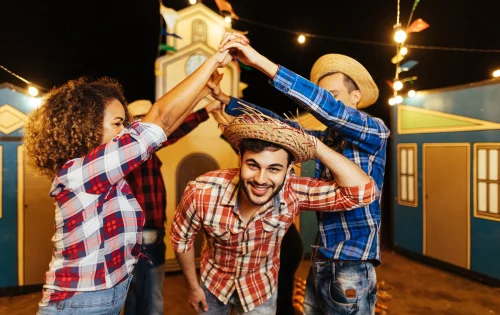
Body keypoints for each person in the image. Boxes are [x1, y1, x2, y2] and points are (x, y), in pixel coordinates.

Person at [24, 39, 240, 315]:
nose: (124, 131)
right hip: (79, 304)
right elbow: (160, 119)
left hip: (103, 298)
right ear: (87, 126)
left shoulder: (100, 170)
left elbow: (165, 128)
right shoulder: (83, 172)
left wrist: (204, 92)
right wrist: (215, 59)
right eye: (117, 123)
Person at [210, 33, 390, 314]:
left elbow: (330, 111)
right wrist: (227, 100)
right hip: (321, 259)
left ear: (356, 97)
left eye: (334, 96)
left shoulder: (374, 130)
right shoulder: (328, 139)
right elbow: (282, 125)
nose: (323, 105)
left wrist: (259, 62)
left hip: (352, 265)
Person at [170, 106, 379, 314]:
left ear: (288, 171)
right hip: (213, 284)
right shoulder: (201, 191)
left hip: (260, 289)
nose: (261, 179)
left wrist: (315, 146)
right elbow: (181, 241)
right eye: (253, 165)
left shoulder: (293, 191)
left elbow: (364, 192)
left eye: (274, 169)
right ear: (240, 159)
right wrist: (193, 286)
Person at [123, 99, 222, 315]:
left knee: (135, 297)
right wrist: (205, 110)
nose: (154, 127)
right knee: (150, 301)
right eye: (142, 119)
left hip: (138, 236)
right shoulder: (135, 147)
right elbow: (174, 129)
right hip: (143, 238)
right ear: (133, 124)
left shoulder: (136, 152)